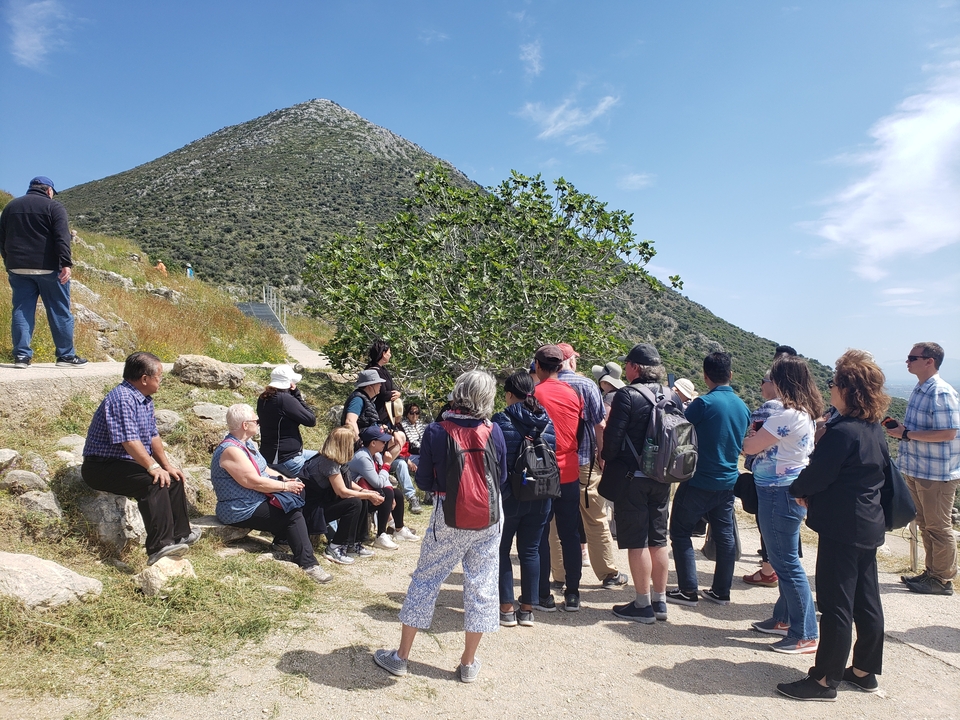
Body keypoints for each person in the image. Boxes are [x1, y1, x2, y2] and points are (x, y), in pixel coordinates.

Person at [373, 371, 507, 683]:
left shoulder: (436, 430)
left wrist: (443, 487)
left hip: (448, 514)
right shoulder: (494, 429)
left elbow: (423, 480)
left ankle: (402, 656)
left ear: (458, 392)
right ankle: (468, 662)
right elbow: (499, 478)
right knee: (482, 584)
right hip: (489, 516)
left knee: (426, 578)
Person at [777, 350, 889, 701]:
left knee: (836, 604)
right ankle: (864, 670)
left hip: (842, 527)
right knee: (866, 601)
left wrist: (798, 491)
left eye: (835, 383)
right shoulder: (873, 430)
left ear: (848, 390)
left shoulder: (843, 433)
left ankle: (825, 680)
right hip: (869, 525)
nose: (831, 389)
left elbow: (817, 475)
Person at [81, 352, 196, 565]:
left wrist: (166, 465)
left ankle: (180, 534)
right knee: (154, 483)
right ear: (145, 379)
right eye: (158, 376)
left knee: (174, 478)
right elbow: (129, 441)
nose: (161, 381)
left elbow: (153, 436)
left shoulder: (144, 400)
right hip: (101, 466)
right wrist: (152, 467)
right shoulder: (122, 398)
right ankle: (160, 546)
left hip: (125, 462)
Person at [741, 355, 823, 654]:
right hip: (785, 490)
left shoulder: (784, 416)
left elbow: (749, 446)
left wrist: (751, 434)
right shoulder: (804, 414)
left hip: (778, 491)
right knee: (783, 559)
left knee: (786, 563)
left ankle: (805, 633)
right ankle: (784, 618)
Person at [210, 404, 331, 584]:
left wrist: (287, 480)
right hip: (239, 507)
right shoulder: (231, 450)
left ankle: (283, 541)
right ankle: (308, 563)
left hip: (256, 499)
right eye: (256, 421)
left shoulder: (247, 444)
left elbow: (265, 469)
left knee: (300, 493)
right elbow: (254, 481)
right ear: (245, 425)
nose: (259, 424)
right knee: (292, 514)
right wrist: (284, 487)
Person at [667, 351, 750, 607]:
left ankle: (688, 590)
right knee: (724, 536)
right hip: (728, 481)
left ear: (705, 376)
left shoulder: (703, 404)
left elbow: (679, 429)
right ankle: (721, 591)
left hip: (699, 479)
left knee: (680, 531)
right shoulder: (743, 406)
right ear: (731, 375)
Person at [601, 343, 674, 623]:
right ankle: (660, 601)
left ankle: (642, 604)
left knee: (637, 541)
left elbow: (613, 441)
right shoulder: (671, 395)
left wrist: (607, 457)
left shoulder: (627, 395)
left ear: (634, 368)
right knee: (658, 539)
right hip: (663, 476)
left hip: (633, 477)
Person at [552, 342, 628, 591]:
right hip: (583, 462)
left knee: (554, 522)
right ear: (570, 361)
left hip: (551, 465)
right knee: (595, 518)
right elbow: (599, 425)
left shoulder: (543, 386)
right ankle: (607, 574)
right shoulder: (585, 385)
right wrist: (603, 455)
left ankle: (560, 575)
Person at [886, 342, 960, 595]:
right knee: (926, 523)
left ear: (930, 361)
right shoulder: (922, 388)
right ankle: (931, 574)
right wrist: (904, 431)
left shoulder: (940, 391)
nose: (907, 361)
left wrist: (906, 433)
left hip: (937, 473)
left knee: (938, 526)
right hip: (920, 469)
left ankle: (941, 580)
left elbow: (949, 433)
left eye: (912, 357)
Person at [0, 176, 87, 368]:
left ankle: (21, 357)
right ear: (49, 191)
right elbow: (62, 237)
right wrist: (66, 263)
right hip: (49, 268)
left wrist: (8, 260)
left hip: (18, 267)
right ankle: (65, 356)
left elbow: (2, 237)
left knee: (22, 310)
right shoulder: (54, 208)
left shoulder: (11, 207)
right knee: (59, 310)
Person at [492, 371, 556, 628]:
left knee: (501, 550)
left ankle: (506, 608)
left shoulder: (500, 419)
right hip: (541, 493)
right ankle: (527, 610)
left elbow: (496, 459)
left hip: (511, 494)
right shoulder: (547, 420)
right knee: (530, 551)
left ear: (508, 394)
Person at [531, 344, 585, 612]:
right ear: (561, 366)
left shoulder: (535, 393)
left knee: (540, 532)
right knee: (570, 534)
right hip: (571, 470)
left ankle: (543, 594)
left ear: (538, 366)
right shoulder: (573, 393)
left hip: (543, 471)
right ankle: (573, 592)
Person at [299, 427, 384, 563]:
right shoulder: (328, 462)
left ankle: (353, 544)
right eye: (353, 442)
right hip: (312, 510)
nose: (356, 445)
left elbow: (346, 482)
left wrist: (364, 492)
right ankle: (334, 547)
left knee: (360, 499)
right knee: (354, 502)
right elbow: (342, 491)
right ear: (344, 444)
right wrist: (367, 495)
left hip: (321, 504)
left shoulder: (336, 460)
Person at [342, 368, 419, 513]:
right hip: (362, 442)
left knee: (399, 436)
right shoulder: (358, 399)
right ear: (370, 385)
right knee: (400, 438)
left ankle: (381, 466)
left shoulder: (366, 399)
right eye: (378, 383)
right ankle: (383, 466)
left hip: (369, 438)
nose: (381, 387)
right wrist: (359, 442)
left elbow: (372, 423)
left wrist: (391, 431)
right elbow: (350, 421)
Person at [742, 372, 783, 588]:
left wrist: (747, 453)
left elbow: (750, 444)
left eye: (763, 382)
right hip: (790, 478)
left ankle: (768, 570)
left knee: (767, 525)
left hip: (767, 478)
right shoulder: (800, 410)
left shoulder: (767, 410)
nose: (760, 386)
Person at [348, 426, 419, 550]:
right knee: (386, 492)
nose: (385, 443)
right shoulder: (362, 457)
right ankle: (380, 535)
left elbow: (384, 480)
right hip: (357, 494)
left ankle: (399, 529)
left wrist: (391, 492)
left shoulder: (376, 455)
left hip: (368, 490)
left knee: (396, 493)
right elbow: (378, 483)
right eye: (382, 441)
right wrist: (387, 464)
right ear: (373, 443)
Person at [257, 365, 317, 478]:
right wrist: (297, 395)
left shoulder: (263, 397)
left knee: (326, 457)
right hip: (285, 460)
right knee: (323, 474)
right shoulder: (285, 399)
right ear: (289, 383)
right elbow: (311, 420)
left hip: (274, 454)